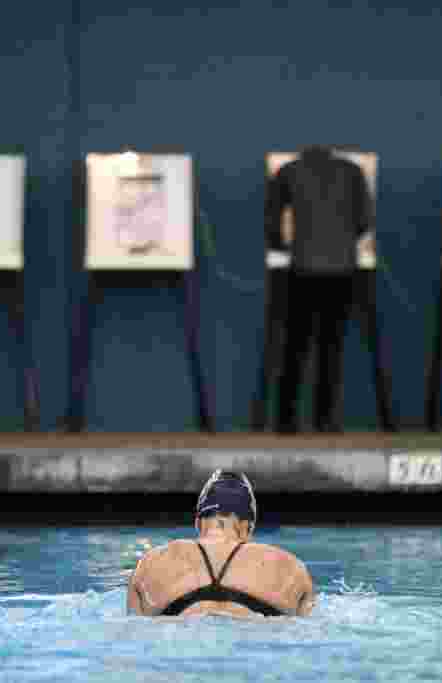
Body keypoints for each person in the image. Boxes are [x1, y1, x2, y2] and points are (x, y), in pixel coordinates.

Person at [265, 146, 372, 433]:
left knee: (295, 347)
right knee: (331, 348)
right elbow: (364, 222)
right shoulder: (353, 172)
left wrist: (283, 244)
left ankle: (285, 422)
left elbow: (271, 220)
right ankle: (324, 421)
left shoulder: (289, 170)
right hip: (341, 270)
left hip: (302, 268)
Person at [126, 470, 315, 617]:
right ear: (246, 527)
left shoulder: (149, 565)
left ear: (198, 523)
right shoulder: (292, 568)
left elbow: (132, 632)